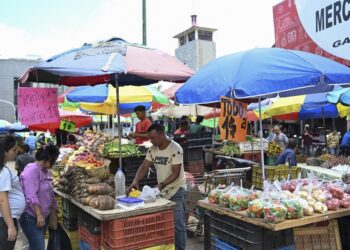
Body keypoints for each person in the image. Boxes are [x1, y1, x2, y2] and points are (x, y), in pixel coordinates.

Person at [127, 124, 186, 250]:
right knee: (164, 223)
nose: (151, 141)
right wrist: (135, 181)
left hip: (176, 189)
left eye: (153, 138)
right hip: (162, 190)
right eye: (150, 138)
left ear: (161, 134)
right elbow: (144, 166)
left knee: (178, 225)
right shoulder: (152, 149)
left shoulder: (175, 148)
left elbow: (176, 173)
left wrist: (161, 185)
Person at [19, 144, 60, 250]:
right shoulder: (32, 170)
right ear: (47, 159)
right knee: (38, 247)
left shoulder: (45, 171)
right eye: (54, 160)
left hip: (42, 217)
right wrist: (39, 214)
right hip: (32, 218)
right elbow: (31, 195)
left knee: (36, 246)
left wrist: (54, 208)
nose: (54, 163)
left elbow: (49, 192)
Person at [0, 135, 25, 250]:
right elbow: (2, 200)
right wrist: (10, 226)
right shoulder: (4, 172)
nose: (17, 152)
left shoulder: (3, 169)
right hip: (5, 222)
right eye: (13, 150)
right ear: (4, 152)